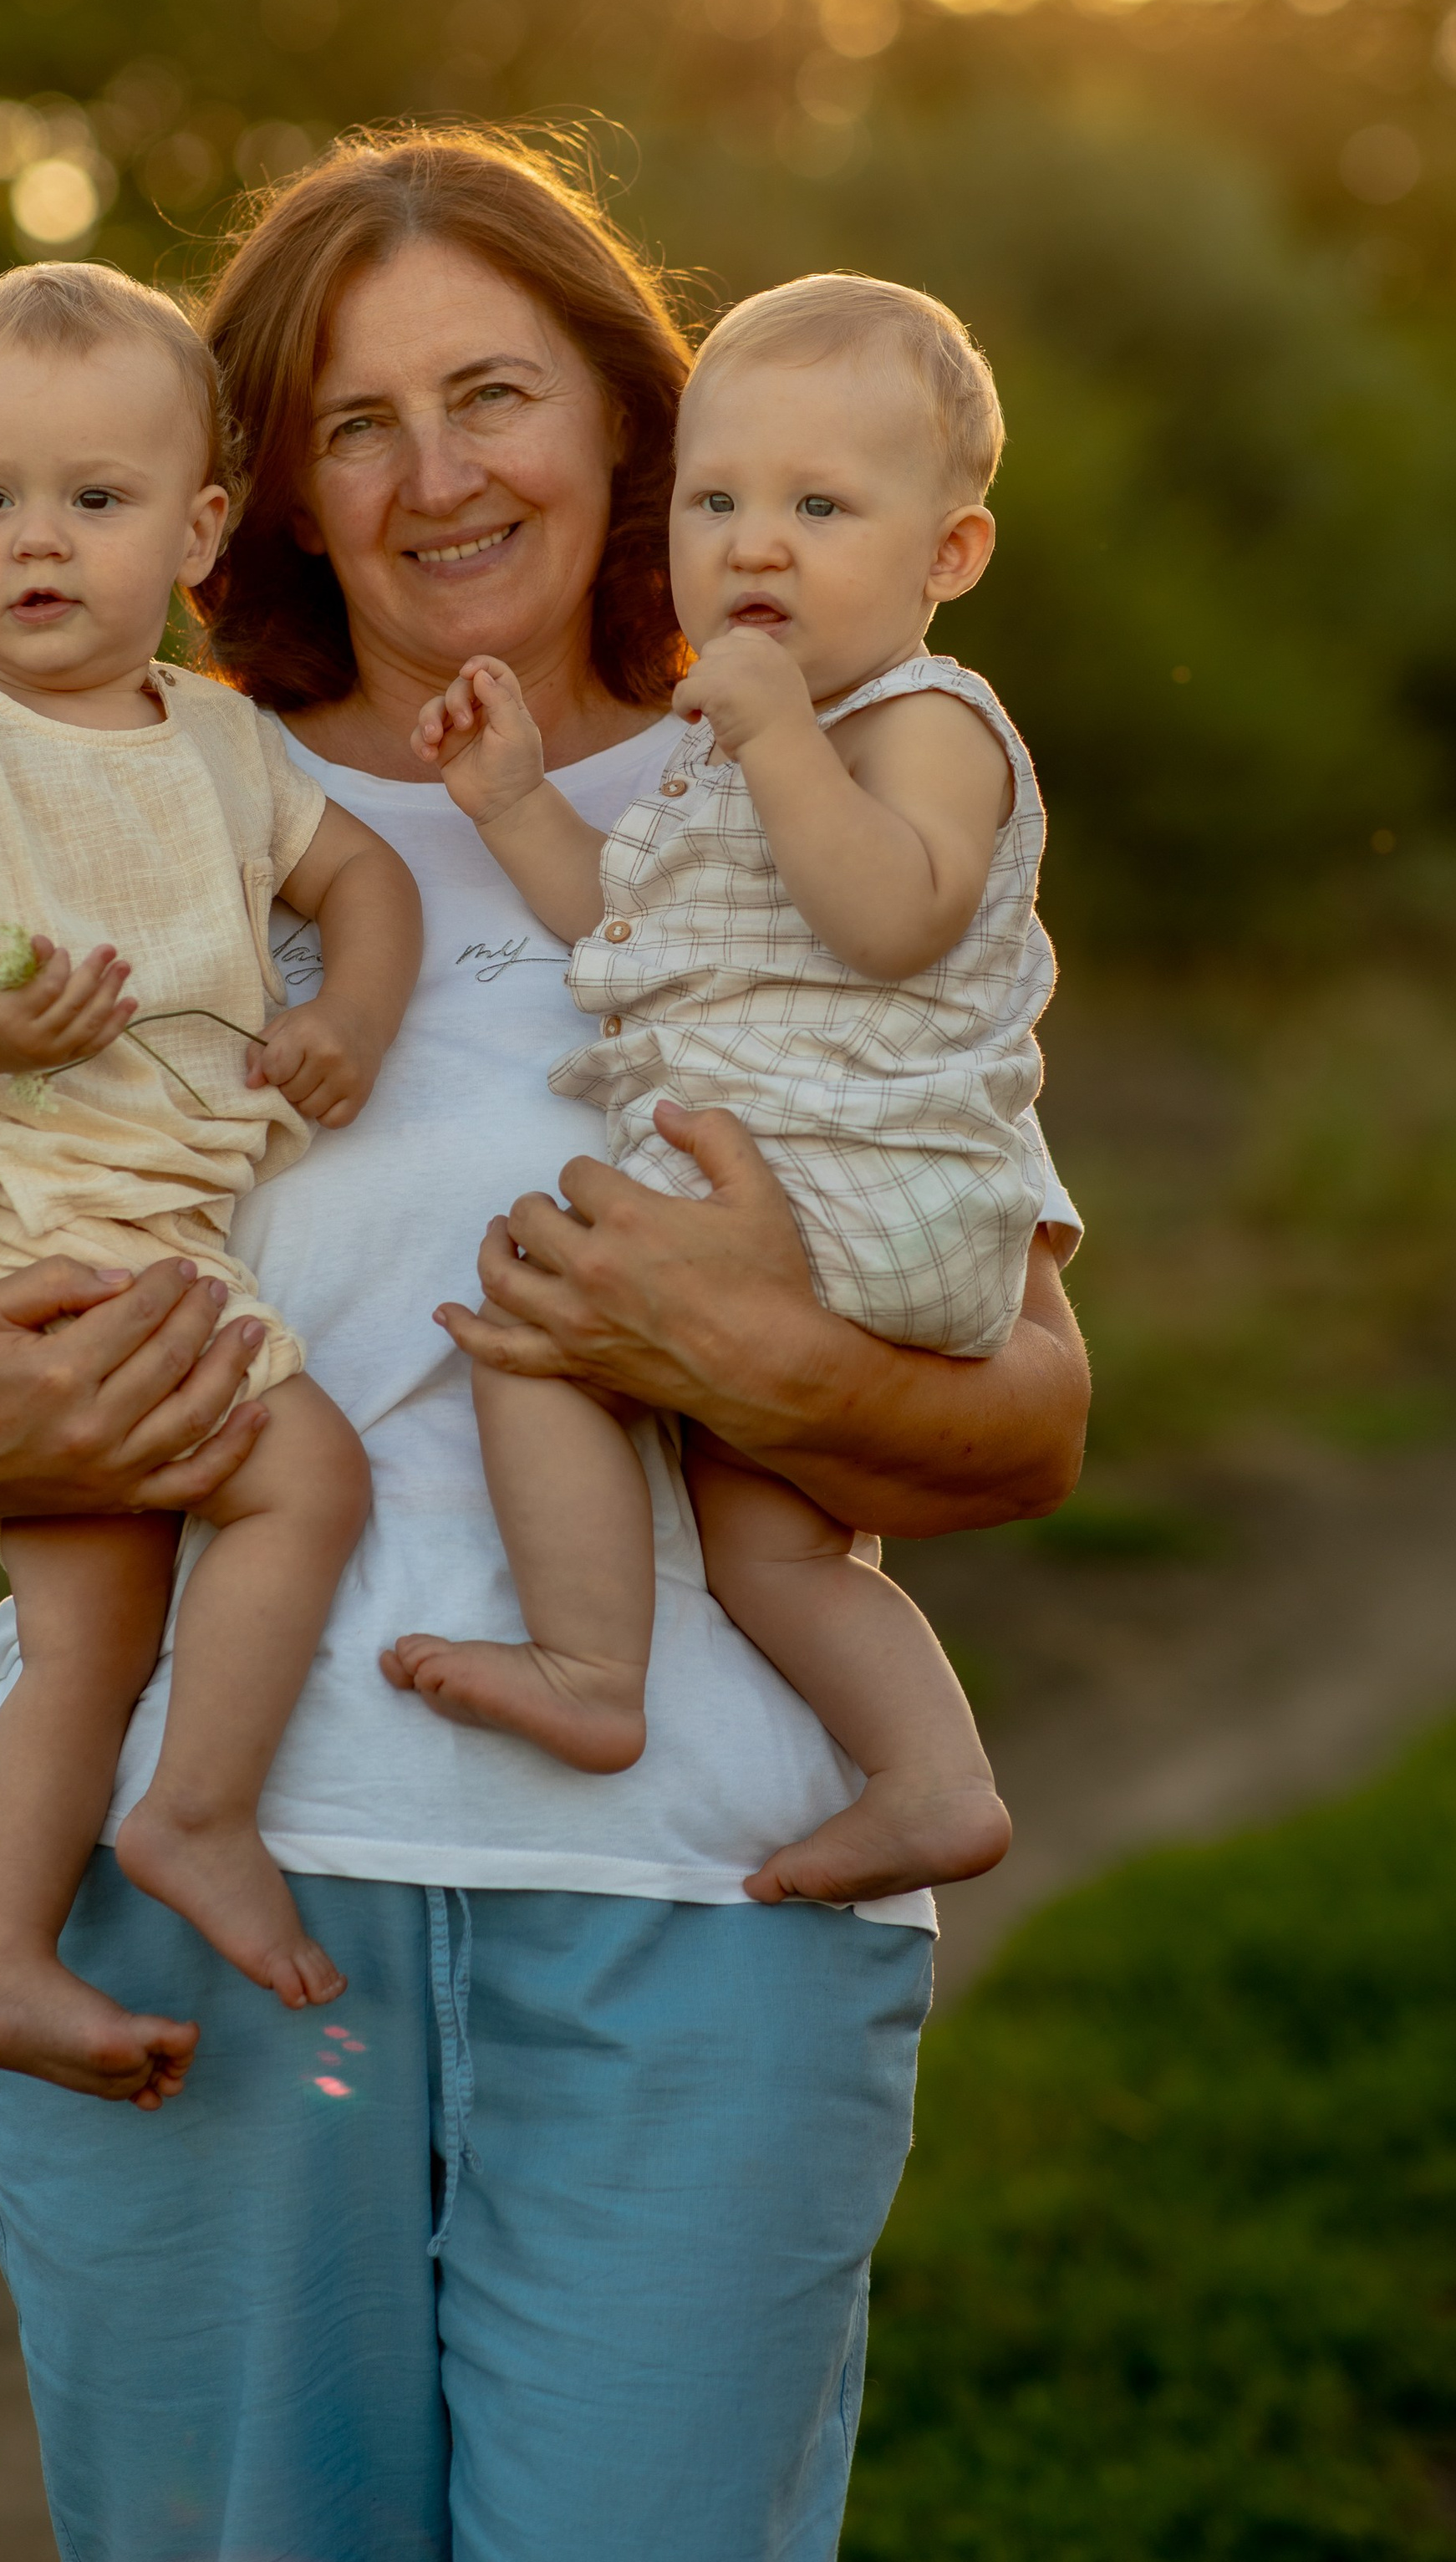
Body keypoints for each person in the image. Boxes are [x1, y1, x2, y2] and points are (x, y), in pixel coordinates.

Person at [0, 133, 1090, 2562]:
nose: (435, 476)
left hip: (709, 1894)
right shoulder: (121, 770)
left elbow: (1033, 1406)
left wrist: (749, 1356)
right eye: (351, 422)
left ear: (628, 418)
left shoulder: (810, 785)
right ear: (254, 486)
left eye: (494, 393)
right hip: (198, 1883)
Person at [0, 262, 420, 2089]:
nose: (38, 543)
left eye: (97, 498)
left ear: (201, 526)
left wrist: (353, 1021)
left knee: (92, 1623)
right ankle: (190, 1815)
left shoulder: (225, 747)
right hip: (12, 1243)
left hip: (143, 1237)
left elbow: (361, 893)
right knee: (299, 1477)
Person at [389, 272, 1046, 1910]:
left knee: (533, 1314)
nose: (755, 544)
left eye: (820, 505)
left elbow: (892, 912)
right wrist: (510, 801)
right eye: (717, 499)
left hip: (855, 1181)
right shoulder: (732, 749)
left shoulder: (926, 723)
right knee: (771, 1542)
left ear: (943, 555)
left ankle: (588, 1669)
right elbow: (626, 924)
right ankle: (931, 1778)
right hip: (808, 1197)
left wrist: (773, 744)